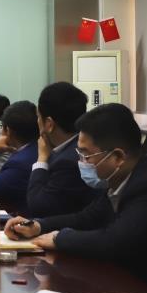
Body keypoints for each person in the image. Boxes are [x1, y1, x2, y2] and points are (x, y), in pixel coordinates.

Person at [5, 103, 147, 293]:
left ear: (117, 156)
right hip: (138, 286)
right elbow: (87, 218)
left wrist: (59, 239)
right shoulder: (122, 178)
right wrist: (38, 226)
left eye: (86, 154)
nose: (81, 161)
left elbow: (113, 242)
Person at [27, 82, 98, 217]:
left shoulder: (67, 161)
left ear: (49, 124)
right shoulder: (76, 148)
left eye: (38, 117)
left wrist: (42, 158)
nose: (37, 122)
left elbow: (38, 206)